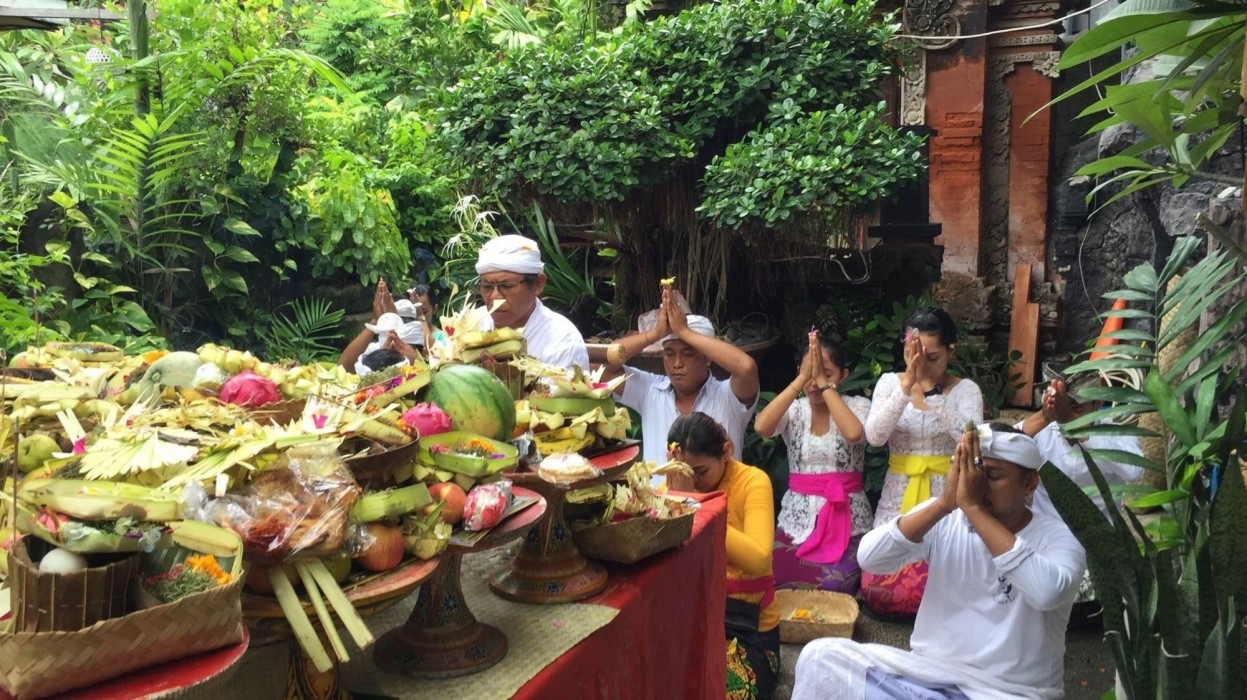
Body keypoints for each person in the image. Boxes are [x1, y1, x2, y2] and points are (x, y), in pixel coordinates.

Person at [791, 424, 1086, 700]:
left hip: (1004, 693)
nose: (978, 485)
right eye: (972, 471)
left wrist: (973, 510)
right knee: (821, 658)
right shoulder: (948, 517)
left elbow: (1047, 592)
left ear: (1030, 482)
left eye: (993, 477)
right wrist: (944, 504)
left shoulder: (1059, 538)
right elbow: (870, 558)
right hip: (924, 681)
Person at [860, 307, 983, 618]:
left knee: (952, 579)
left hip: (948, 492)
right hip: (898, 491)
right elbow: (874, 436)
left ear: (950, 351)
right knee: (883, 585)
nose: (921, 365)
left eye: (932, 357)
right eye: (912, 354)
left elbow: (972, 441)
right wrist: (905, 390)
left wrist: (933, 393)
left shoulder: (966, 390)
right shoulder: (889, 383)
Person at [668, 412, 779, 700]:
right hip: (691, 620)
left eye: (701, 472)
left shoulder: (753, 482)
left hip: (748, 628)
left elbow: (759, 559)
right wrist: (671, 501)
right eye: (686, 472)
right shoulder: (672, 489)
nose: (695, 482)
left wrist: (693, 505)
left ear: (726, 452)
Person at [754, 327, 870, 594]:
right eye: (809, 374)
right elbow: (762, 427)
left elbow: (854, 434)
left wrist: (824, 384)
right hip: (798, 515)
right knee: (776, 577)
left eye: (827, 374)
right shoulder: (795, 409)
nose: (815, 382)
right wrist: (801, 379)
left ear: (844, 375)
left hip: (847, 517)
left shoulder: (857, 406)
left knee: (833, 584)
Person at [605, 287, 760, 466]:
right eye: (669, 353)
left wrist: (684, 332)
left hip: (722, 495)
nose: (677, 363)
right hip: (658, 495)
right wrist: (653, 335)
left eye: (688, 354)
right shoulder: (650, 390)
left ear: (707, 357)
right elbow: (601, 366)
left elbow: (746, 368)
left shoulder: (727, 396)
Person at [1018, 374, 1144, 520]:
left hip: (1101, 534)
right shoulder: (1042, 431)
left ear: (1097, 403)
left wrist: (1074, 424)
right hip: (1047, 532)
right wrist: (1045, 416)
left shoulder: (1116, 433)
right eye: (1061, 408)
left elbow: (1134, 472)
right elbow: (996, 444)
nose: (1062, 415)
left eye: (1076, 408)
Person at [474, 234, 589, 370]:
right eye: (487, 286)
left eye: (507, 285)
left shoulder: (562, 340)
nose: (494, 297)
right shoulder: (472, 325)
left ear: (538, 284)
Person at [340, 278, 427, 375]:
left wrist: (415, 363)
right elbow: (343, 367)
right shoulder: (375, 349)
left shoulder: (419, 353)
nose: (394, 343)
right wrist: (375, 321)